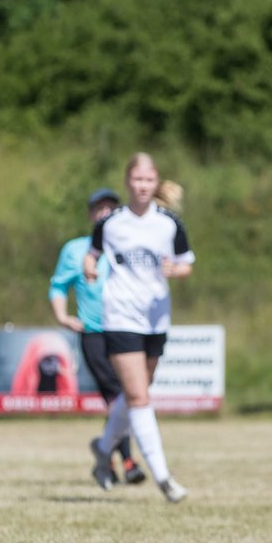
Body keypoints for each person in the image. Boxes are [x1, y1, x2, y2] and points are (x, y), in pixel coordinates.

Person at [83, 155, 194, 503]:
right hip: (120, 315)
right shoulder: (112, 222)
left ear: (156, 182)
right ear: (127, 181)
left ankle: (103, 450)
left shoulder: (168, 223)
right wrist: (89, 270)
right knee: (140, 398)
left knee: (135, 395)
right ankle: (163, 477)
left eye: (149, 180)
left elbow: (186, 264)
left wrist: (174, 271)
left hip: (155, 318)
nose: (143, 185)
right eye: (137, 179)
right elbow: (92, 254)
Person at [49, 187, 145, 486]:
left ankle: (105, 458)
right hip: (94, 334)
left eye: (111, 208)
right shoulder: (77, 250)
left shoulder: (131, 244)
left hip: (127, 330)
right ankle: (127, 462)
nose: (105, 213)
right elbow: (58, 285)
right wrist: (63, 317)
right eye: (99, 208)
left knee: (124, 399)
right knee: (121, 396)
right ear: (91, 215)